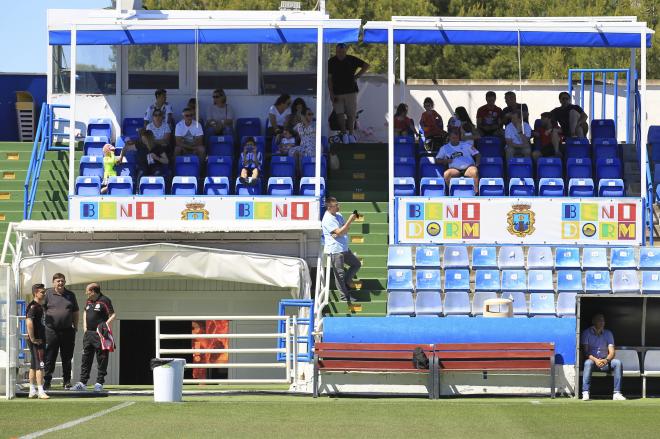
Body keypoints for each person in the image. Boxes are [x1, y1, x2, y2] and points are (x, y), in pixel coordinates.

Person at [71, 283, 116, 392]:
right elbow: (85, 311)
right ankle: (82, 383)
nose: (86, 293)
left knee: (102, 358)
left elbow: (113, 314)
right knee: (86, 358)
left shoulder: (105, 300)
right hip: (88, 334)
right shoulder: (89, 301)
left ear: (93, 291)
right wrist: (85, 327)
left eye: (87, 291)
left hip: (100, 335)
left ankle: (99, 383)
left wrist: (105, 325)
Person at [327, 43, 370, 144]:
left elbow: (366, 65)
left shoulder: (352, 59)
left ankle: (351, 134)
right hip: (337, 93)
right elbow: (329, 79)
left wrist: (357, 76)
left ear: (345, 50)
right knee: (339, 114)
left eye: (342, 51)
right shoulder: (331, 61)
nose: (340, 53)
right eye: (338, 51)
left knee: (351, 114)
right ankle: (344, 134)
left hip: (350, 92)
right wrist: (331, 93)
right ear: (336, 51)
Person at [43, 273, 79, 390]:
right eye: (58, 281)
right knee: (50, 357)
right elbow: (41, 308)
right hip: (51, 331)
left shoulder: (70, 295)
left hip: (68, 331)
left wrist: (76, 326)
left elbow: (75, 312)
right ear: (53, 282)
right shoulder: (47, 293)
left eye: (62, 281)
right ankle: (47, 381)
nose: (60, 283)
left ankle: (67, 381)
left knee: (67, 357)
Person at [321, 197, 361, 302]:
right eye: (336, 205)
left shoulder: (338, 215)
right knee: (339, 275)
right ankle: (344, 297)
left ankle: (348, 281)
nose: (339, 206)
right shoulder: (327, 218)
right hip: (335, 250)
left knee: (356, 264)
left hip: (343, 247)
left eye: (338, 204)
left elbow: (345, 230)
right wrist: (350, 220)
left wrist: (340, 231)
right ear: (329, 207)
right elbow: (341, 231)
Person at [581, 313, 626, 401]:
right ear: (593, 322)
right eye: (599, 320)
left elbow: (612, 352)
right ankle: (585, 392)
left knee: (618, 363)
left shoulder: (608, 333)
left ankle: (617, 393)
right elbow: (585, 352)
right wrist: (596, 360)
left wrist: (606, 360)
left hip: (605, 361)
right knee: (587, 363)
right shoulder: (586, 333)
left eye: (603, 320)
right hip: (593, 362)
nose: (602, 322)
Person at [26, 284, 49, 399]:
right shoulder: (33, 307)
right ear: (36, 293)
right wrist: (33, 338)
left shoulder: (41, 306)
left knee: (34, 365)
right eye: (42, 292)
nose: (44, 294)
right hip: (37, 341)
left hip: (40, 339)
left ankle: (32, 390)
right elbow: (29, 322)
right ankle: (40, 390)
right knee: (40, 364)